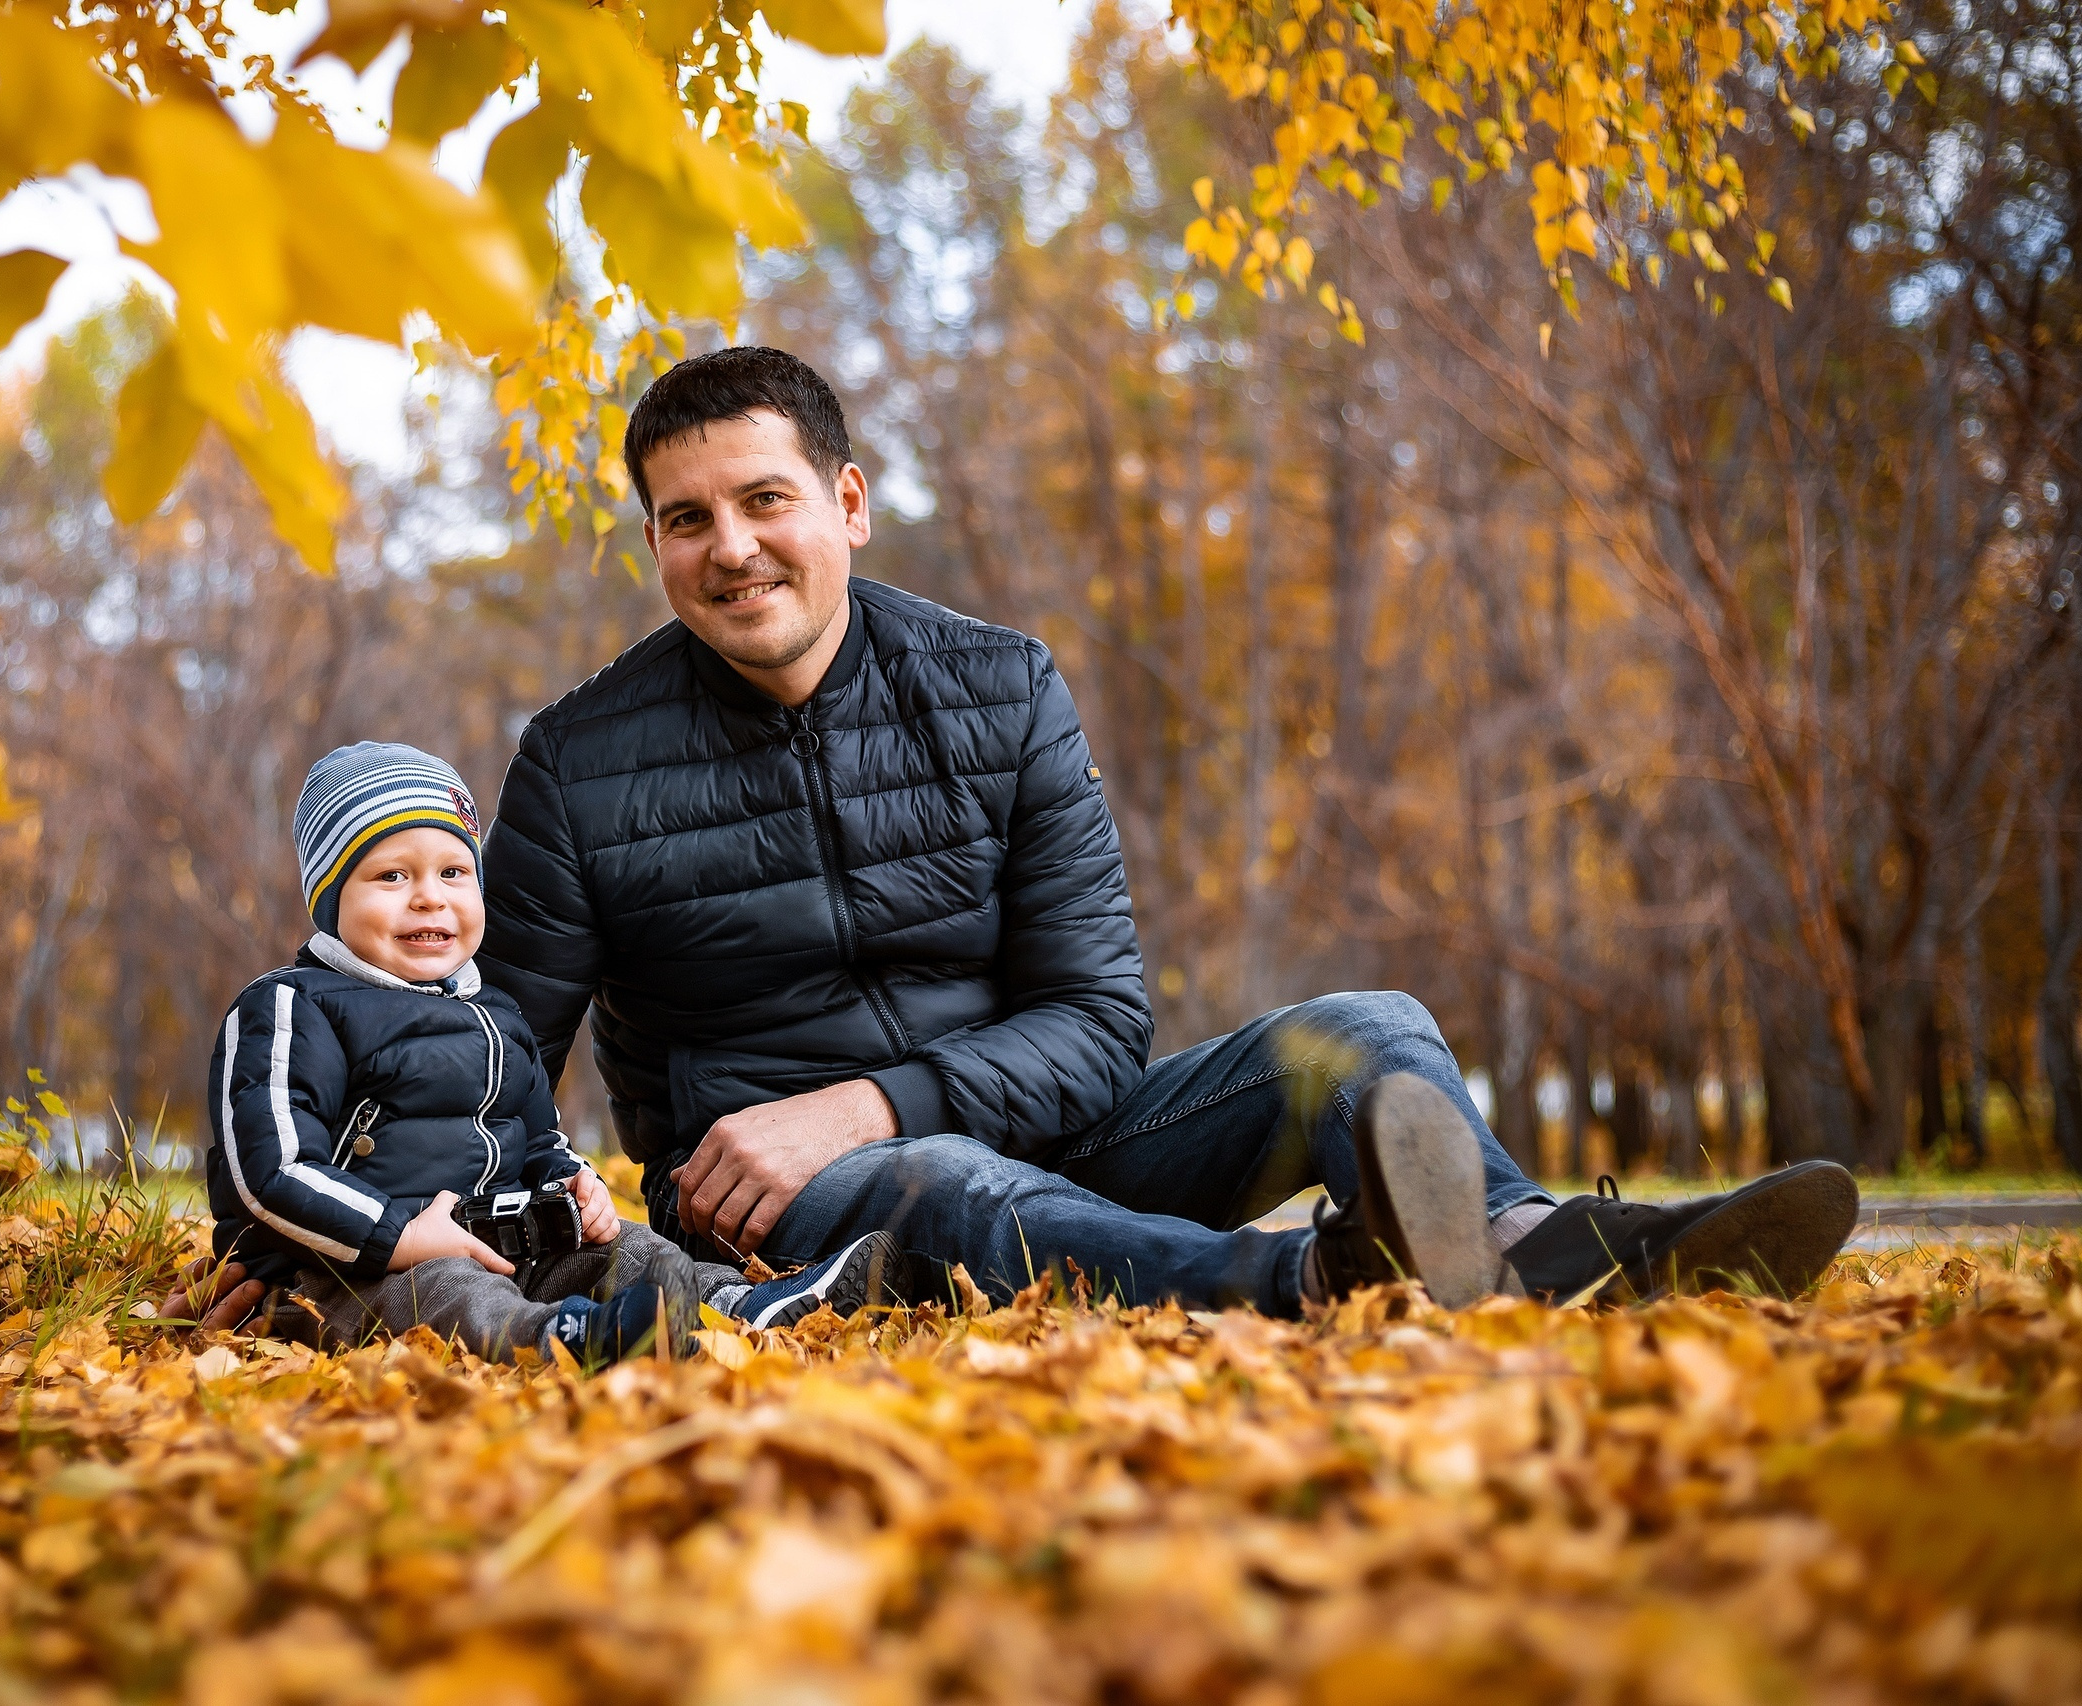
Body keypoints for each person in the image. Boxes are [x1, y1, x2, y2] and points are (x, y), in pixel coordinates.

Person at [462, 344, 1862, 1318]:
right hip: (785, 1202)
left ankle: (1542, 1247)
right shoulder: (581, 760)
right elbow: (490, 1056)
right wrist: (413, 1223)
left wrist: (872, 1098)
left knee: (1368, 1026)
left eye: (764, 499)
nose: (730, 546)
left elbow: (1096, 1019)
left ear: (848, 502)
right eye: (686, 519)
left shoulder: (998, 684)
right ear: (654, 544)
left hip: (1055, 1138)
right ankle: (1321, 1283)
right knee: (944, 1178)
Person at [181, 739, 897, 1359]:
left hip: (503, 1245)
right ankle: (566, 1342)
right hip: (345, 1272)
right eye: (391, 875)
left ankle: (744, 1308)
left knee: (632, 1250)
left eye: (453, 872)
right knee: (449, 1289)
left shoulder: (494, 1015)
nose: (429, 897)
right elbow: (269, 1174)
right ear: (330, 896)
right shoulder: (293, 1007)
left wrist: (573, 1183)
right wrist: (399, 1236)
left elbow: (537, 1140)